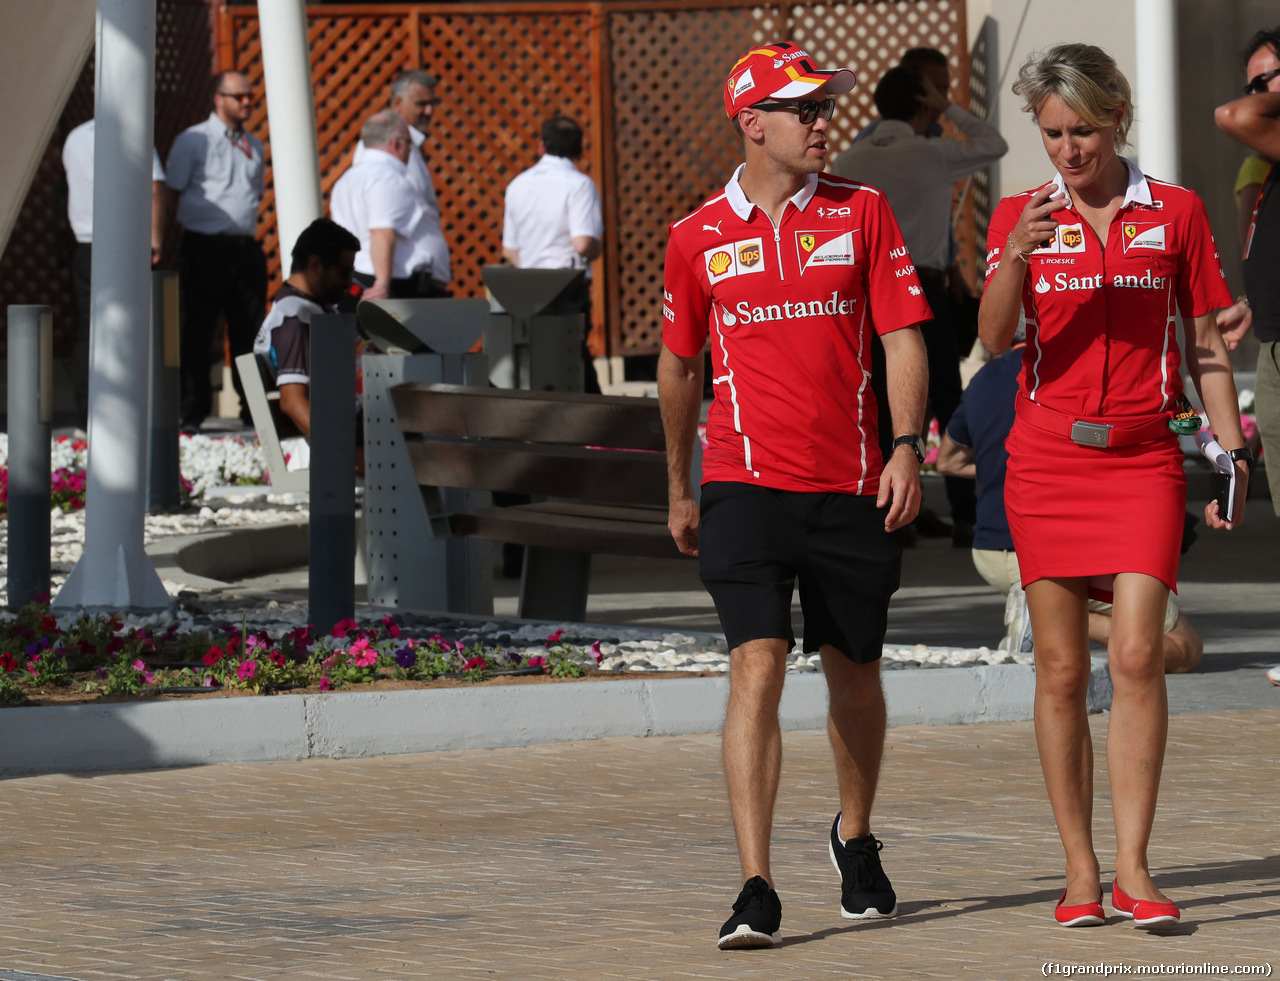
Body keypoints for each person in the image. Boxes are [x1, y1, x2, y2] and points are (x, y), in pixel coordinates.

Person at [659, 40, 932, 949]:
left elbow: (902, 338)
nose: (823, 124)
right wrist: (679, 482)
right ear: (752, 123)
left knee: (854, 671)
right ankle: (755, 883)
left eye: (825, 109)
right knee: (757, 665)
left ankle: (854, 835)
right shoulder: (696, 235)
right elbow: (678, 364)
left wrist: (905, 448)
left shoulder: (865, 212)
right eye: (804, 109)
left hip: (854, 481)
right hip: (741, 482)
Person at [978, 43, 1248, 929]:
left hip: (1141, 461)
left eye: (1083, 131)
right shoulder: (1021, 215)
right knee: (1059, 670)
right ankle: (1080, 870)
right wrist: (1013, 253)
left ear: (1117, 118)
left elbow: (1204, 342)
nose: (1068, 150)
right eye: (1053, 133)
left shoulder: (1174, 212)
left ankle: (1135, 866)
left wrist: (1229, 445)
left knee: (1136, 655)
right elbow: (992, 339)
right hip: (1048, 462)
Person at [937, 339, 1204, 672]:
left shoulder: (985, 378)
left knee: (1066, 673)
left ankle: (1043, 614)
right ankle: (1039, 617)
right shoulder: (1095, 370)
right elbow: (1186, 426)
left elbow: (946, 461)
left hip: (993, 552)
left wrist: (1003, 467)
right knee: (1183, 648)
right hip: (1066, 542)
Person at [832, 64, 1007, 546]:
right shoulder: (930, 151)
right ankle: (967, 516)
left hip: (862, 289)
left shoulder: (849, 158)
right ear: (924, 103)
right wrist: (947, 106)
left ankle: (888, 512)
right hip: (921, 283)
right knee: (949, 395)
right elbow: (993, 144)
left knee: (877, 398)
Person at [165, 70, 267, 431]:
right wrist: (162, 241)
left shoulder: (254, 144)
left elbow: (253, 193)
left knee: (250, 333)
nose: (247, 102)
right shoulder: (193, 140)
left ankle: (253, 411)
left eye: (249, 95)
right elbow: (170, 191)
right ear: (218, 98)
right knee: (199, 329)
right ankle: (192, 412)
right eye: (238, 96)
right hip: (204, 244)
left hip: (244, 246)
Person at [62, 118, 167, 426]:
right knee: (130, 328)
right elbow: (155, 188)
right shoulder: (135, 132)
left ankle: (87, 413)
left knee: (90, 330)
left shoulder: (74, 136)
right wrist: (155, 238)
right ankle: (130, 409)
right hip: (123, 245)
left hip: (85, 246)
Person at [502, 115, 605, 393]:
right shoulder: (579, 184)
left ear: (541, 146)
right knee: (572, 359)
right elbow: (583, 243)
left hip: (526, 287)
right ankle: (593, 425)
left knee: (537, 361)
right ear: (579, 149)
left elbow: (509, 250)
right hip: (566, 284)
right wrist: (598, 247)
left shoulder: (517, 185)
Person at [252, 218, 359, 437]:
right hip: (349, 437)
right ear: (315, 264)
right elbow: (292, 402)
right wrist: (346, 456)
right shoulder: (294, 317)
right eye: (344, 273)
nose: (349, 283)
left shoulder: (311, 309)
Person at [350, 69, 450, 296]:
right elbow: (382, 222)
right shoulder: (381, 152)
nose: (429, 111)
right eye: (421, 103)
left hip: (414, 281)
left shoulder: (410, 148)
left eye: (432, 103)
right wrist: (384, 282)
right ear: (397, 103)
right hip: (402, 284)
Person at [331, 111, 447, 302]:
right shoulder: (387, 178)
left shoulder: (346, 179)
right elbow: (382, 232)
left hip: (360, 279)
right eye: (409, 144)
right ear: (397, 144)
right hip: (390, 288)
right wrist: (382, 283)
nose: (410, 151)